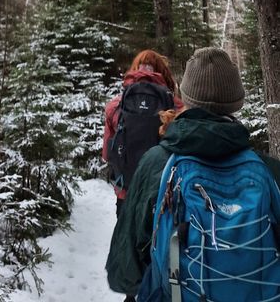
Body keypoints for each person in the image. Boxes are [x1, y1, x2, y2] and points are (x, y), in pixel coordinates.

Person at [105, 47, 280, 299]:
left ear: (185, 97)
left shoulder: (157, 163)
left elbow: (123, 273)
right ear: (236, 102)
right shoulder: (269, 170)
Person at [102, 49, 182, 218]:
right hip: (162, 194)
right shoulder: (177, 108)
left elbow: (107, 154)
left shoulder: (115, 106)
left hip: (126, 191)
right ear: (164, 74)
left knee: (126, 242)